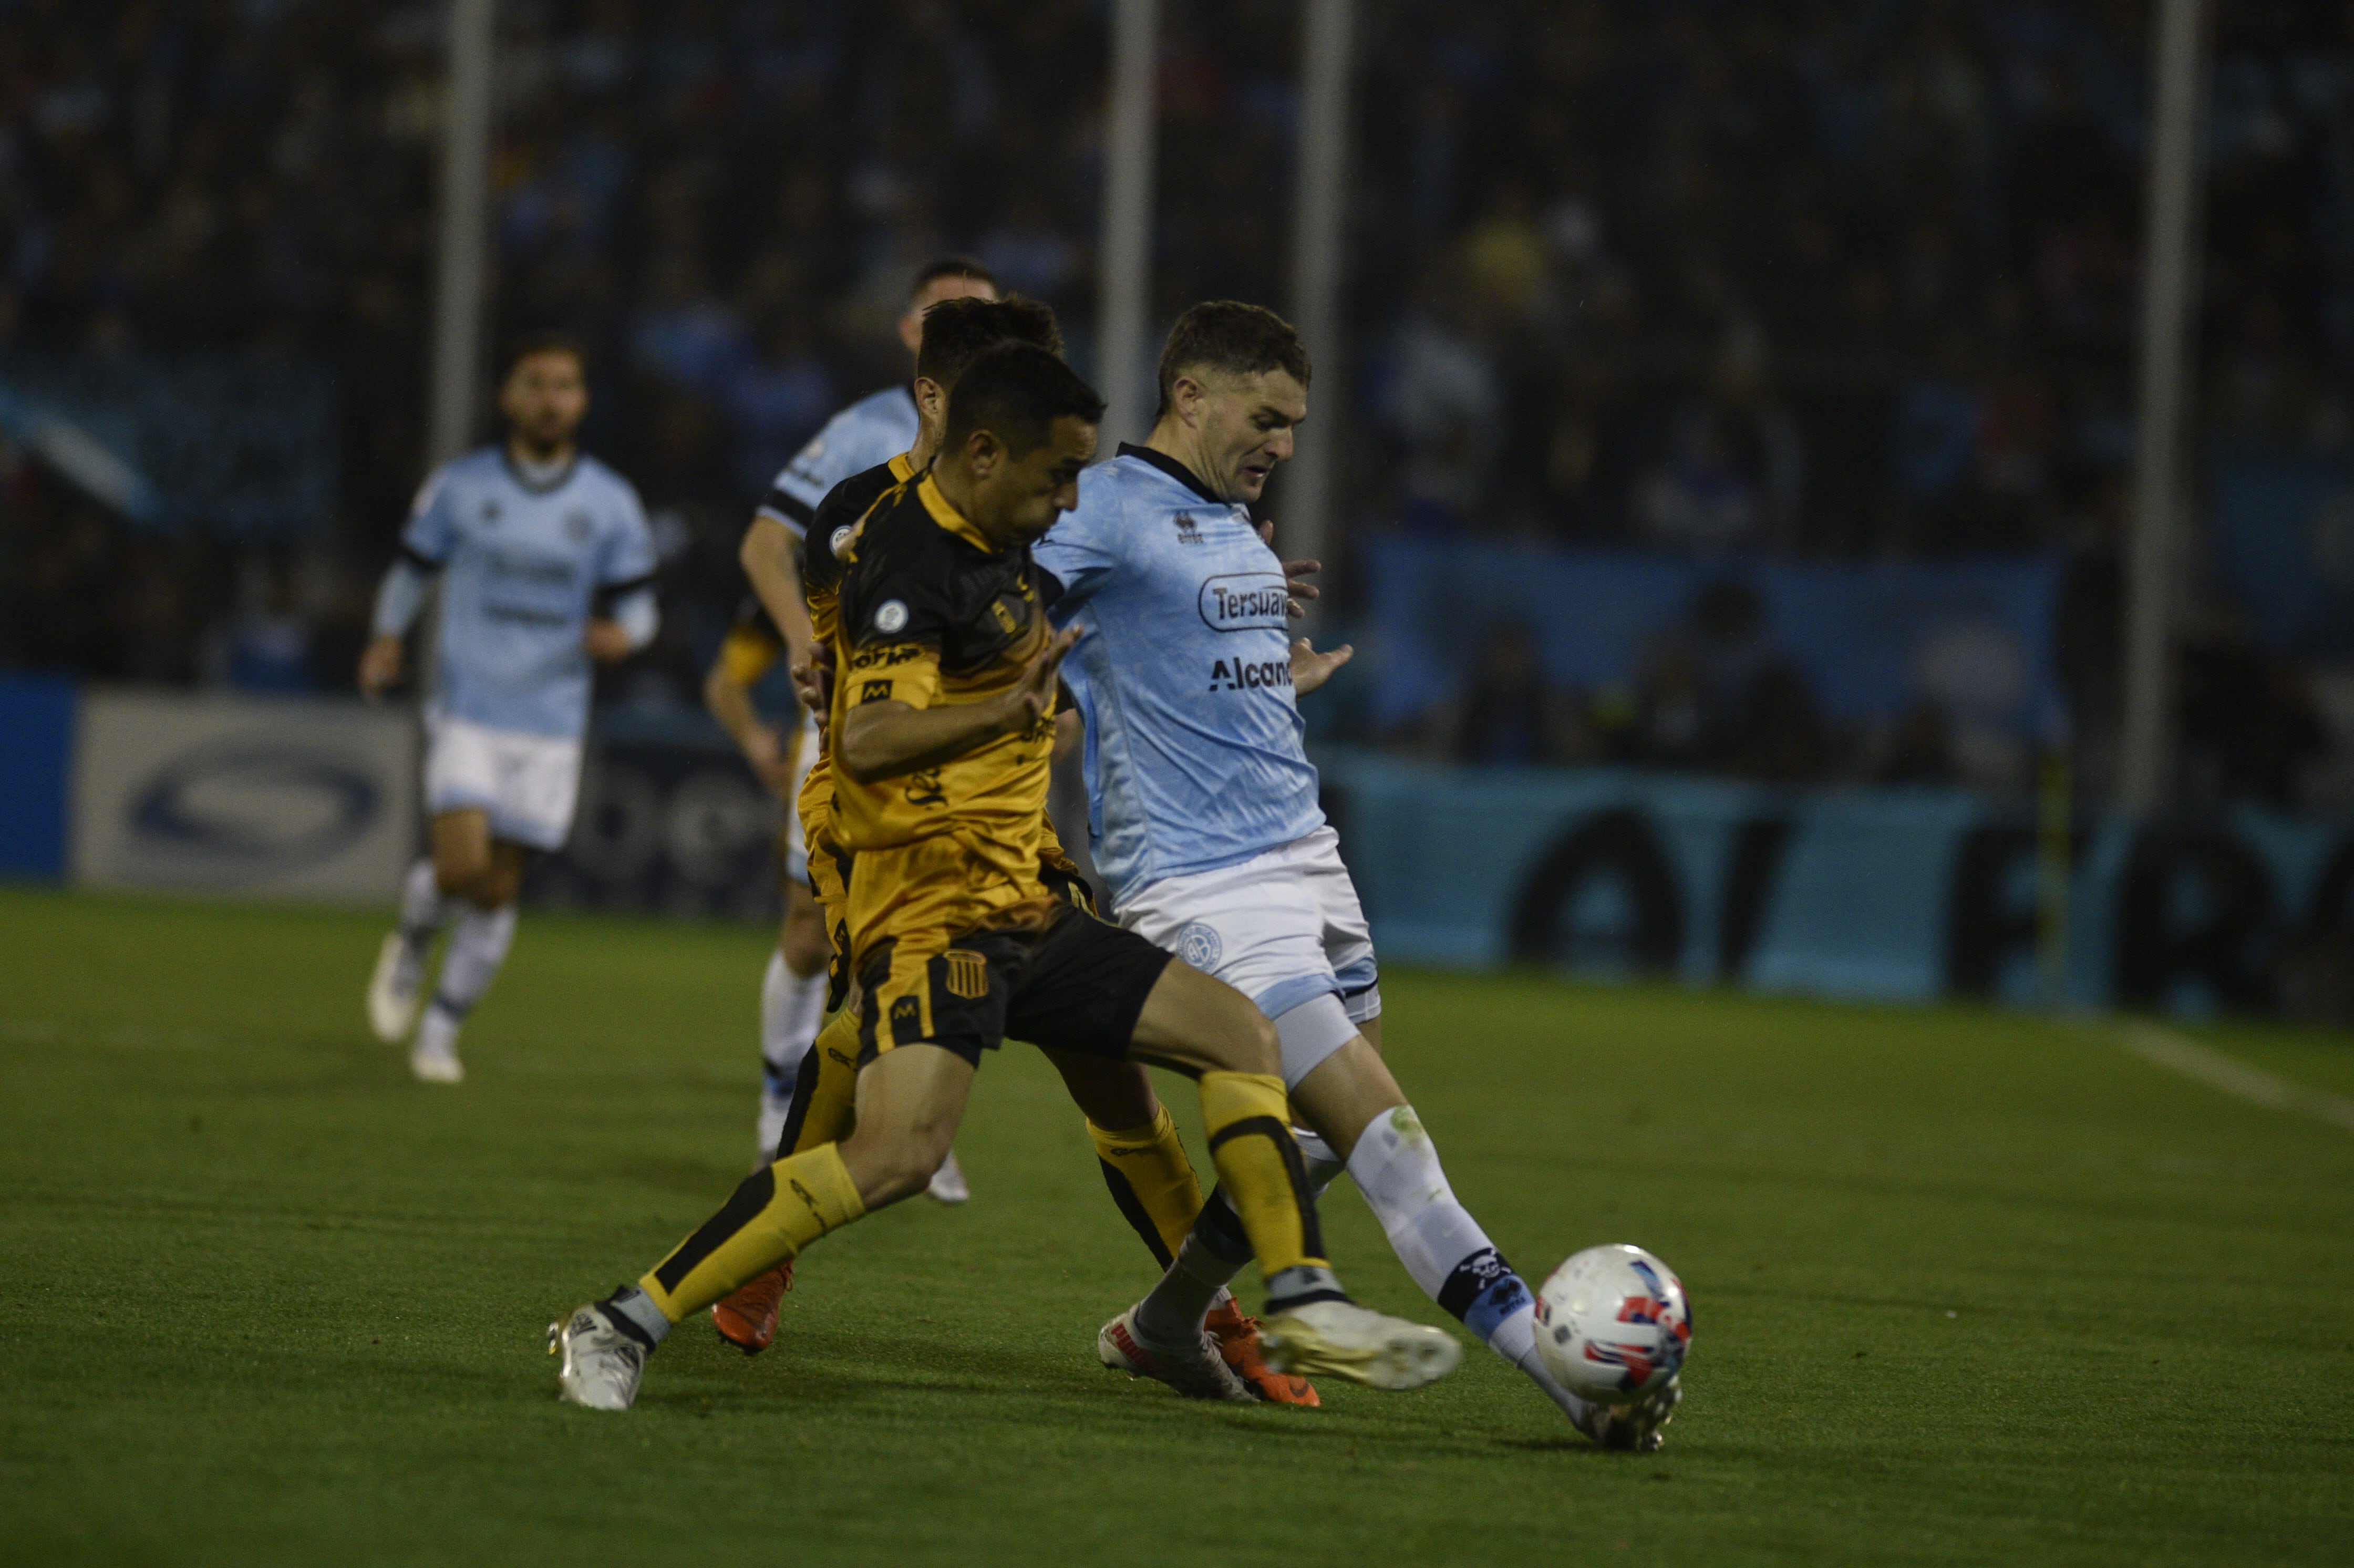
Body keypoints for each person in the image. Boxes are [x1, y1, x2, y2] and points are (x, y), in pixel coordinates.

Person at [550, 344, 1458, 1411]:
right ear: (982, 451)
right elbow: (871, 737)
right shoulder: (908, 558)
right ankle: (623, 1319)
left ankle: (1301, 1296)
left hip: (1028, 899)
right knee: (894, 1154)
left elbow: (1069, 694)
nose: (1070, 498)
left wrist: (1242, 670)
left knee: (1238, 1035)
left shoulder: (1010, 551)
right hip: (935, 911)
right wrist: (1000, 709)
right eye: (1055, 475)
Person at [1031, 301, 1681, 1449]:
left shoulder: (1226, 520)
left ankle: (1164, 1325)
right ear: (1189, 393)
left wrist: (1266, 675)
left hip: (1303, 851)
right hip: (1203, 885)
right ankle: (1567, 1375)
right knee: (1391, 1143)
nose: (1282, 442)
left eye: (1292, 423)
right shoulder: (1102, 511)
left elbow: (1181, 657)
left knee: (1321, 1143)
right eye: (1266, 415)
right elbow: (992, 603)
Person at [705, 295, 1317, 1404]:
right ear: (942, 401)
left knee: (1117, 1083)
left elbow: (1060, 666)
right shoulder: (865, 517)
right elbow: (865, 702)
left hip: (1013, 839)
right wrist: (825, 674)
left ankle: (1212, 1320)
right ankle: (763, 1251)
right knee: (855, 1038)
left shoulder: (1035, 518)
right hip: (888, 838)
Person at [727, 256, 1000, 1205]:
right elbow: (765, 544)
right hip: (852, 707)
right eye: (947, 314)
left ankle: (914, 1122)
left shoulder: (1018, 440)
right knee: (816, 931)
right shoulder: (860, 435)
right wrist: (808, 646)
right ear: (908, 332)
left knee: (936, 926)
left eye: (984, 316)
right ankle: (778, 1107)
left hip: (962, 728)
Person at [361, 336, 657, 1085]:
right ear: (510, 398)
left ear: (582, 401)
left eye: (564, 385)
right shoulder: (461, 487)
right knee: (462, 868)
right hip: (469, 704)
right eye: (535, 384)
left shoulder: (609, 502)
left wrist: (624, 634)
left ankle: (440, 1029)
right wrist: (387, 637)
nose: (551, 398)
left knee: (499, 887)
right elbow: (412, 570)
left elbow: (642, 604)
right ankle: (414, 940)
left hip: (553, 718)